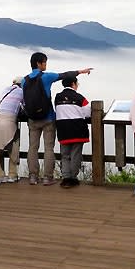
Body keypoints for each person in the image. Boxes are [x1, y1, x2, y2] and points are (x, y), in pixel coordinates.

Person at [23, 52, 93, 186]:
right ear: (39, 63)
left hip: (32, 118)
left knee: (33, 147)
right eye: (44, 62)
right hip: (48, 118)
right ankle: (48, 177)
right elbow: (64, 75)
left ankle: (33, 177)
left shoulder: (24, 80)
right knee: (49, 148)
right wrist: (81, 71)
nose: (45, 64)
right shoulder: (46, 77)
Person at [0, 76, 24, 185]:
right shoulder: (22, 92)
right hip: (9, 120)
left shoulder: (6, 90)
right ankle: (12, 175)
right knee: (13, 148)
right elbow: (25, 106)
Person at [54, 76, 91, 188]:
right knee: (75, 155)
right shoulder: (80, 98)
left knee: (65, 155)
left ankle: (66, 178)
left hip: (63, 130)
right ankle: (73, 178)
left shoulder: (57, 97)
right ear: (73, 84)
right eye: (77, 83)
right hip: (77, 130)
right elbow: (88, 114)